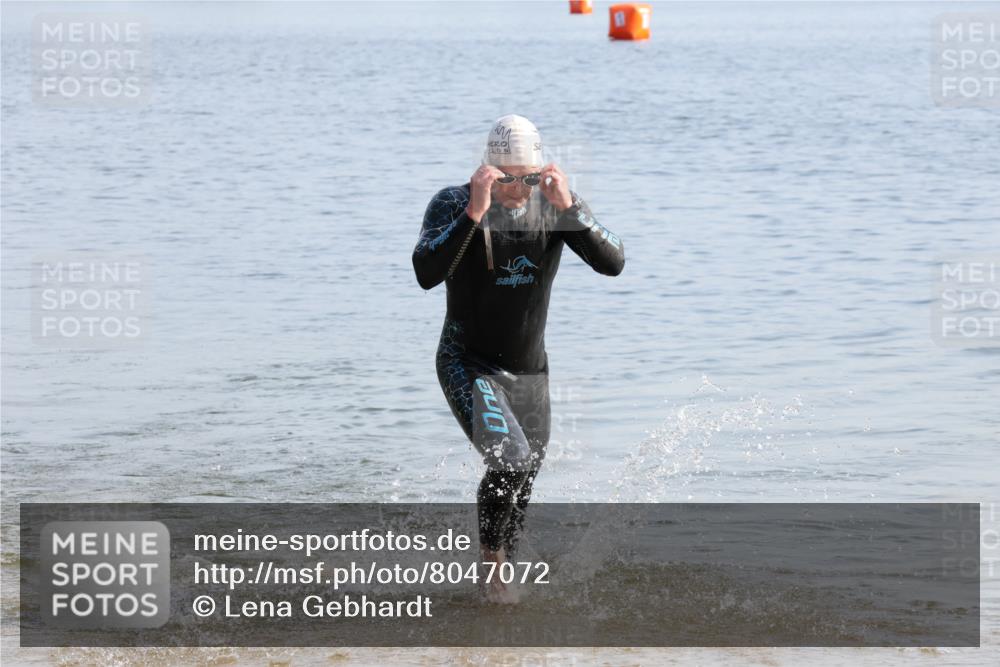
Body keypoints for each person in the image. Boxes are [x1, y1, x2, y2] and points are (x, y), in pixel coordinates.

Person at [411, 114, 625, 603]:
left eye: (526, 177)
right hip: (468, 363)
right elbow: (425, 273)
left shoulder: (554, 204)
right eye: (506, 178)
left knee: (525, 476)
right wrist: (473, 213)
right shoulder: (453, 203)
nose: (517, 189)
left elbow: (613, 263)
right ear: (487, 169)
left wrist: (568, 209)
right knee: (509, 461)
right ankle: (493, 580)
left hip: (530, 372)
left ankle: (501, 579)